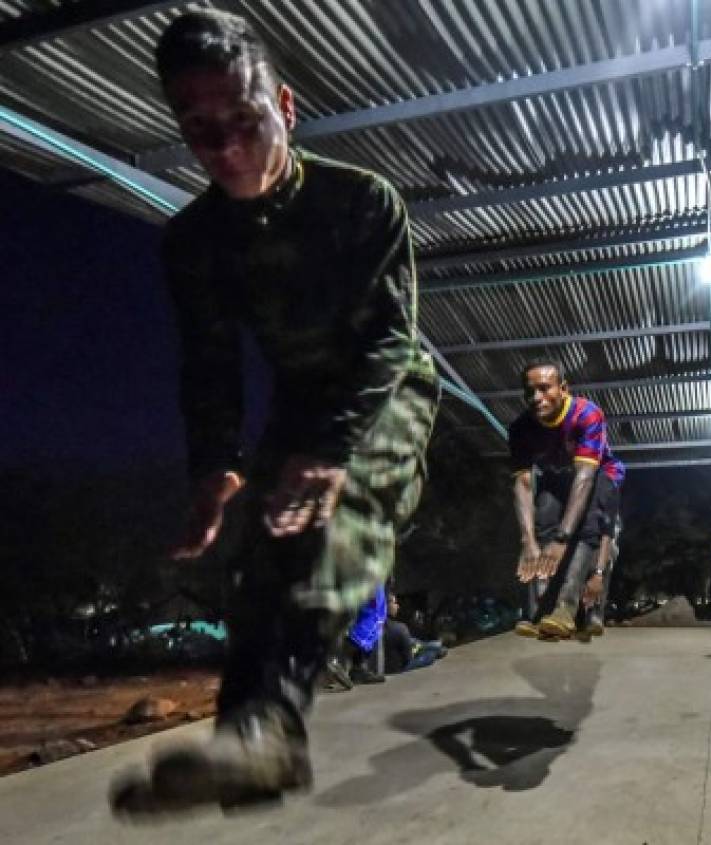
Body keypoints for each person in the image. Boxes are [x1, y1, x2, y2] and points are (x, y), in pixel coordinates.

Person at [109, 10, 439, 815]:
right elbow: (211, 364)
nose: (225, 151)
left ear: (285, 109)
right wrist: (215, 468)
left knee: (337, 510)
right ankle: (248, 745)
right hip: (298, 399)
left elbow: (391, 340)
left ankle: (274, 729)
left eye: (245, 121)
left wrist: (329, 454)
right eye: (199, 130)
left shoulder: (361, 201)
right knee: (263, 555)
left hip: (383, 386)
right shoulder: (193, 241)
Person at [508, 360, 624, 641]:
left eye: (545, 389)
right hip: (556, 476)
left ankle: (565, 608)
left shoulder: (587, 414)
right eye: (530, 391)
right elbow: (523, 483)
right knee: (544, 522)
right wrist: (528, 540)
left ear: (563, 388)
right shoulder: (520, 428)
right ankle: (542, 611)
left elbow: (584, 477)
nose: (537, 398)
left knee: (583, 528)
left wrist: (562, 539)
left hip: (598, 474)